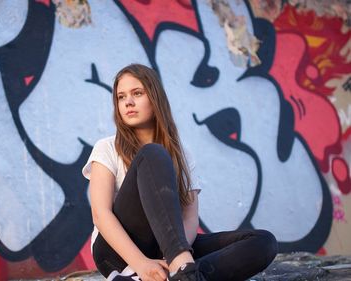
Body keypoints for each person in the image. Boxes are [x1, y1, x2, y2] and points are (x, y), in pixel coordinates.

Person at [82, 63, 278, 281]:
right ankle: (181, 272)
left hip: (166, 246)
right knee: (153, 154)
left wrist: (173, 253)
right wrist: (143, 264)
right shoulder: (107, 147)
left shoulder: (181, 154)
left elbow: (190, 217)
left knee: (262, 242)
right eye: (121, 97)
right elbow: (101, 215)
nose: (128, 102)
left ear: (155, 98)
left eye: (137, 93)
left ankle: (180, 276)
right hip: (116, 251)